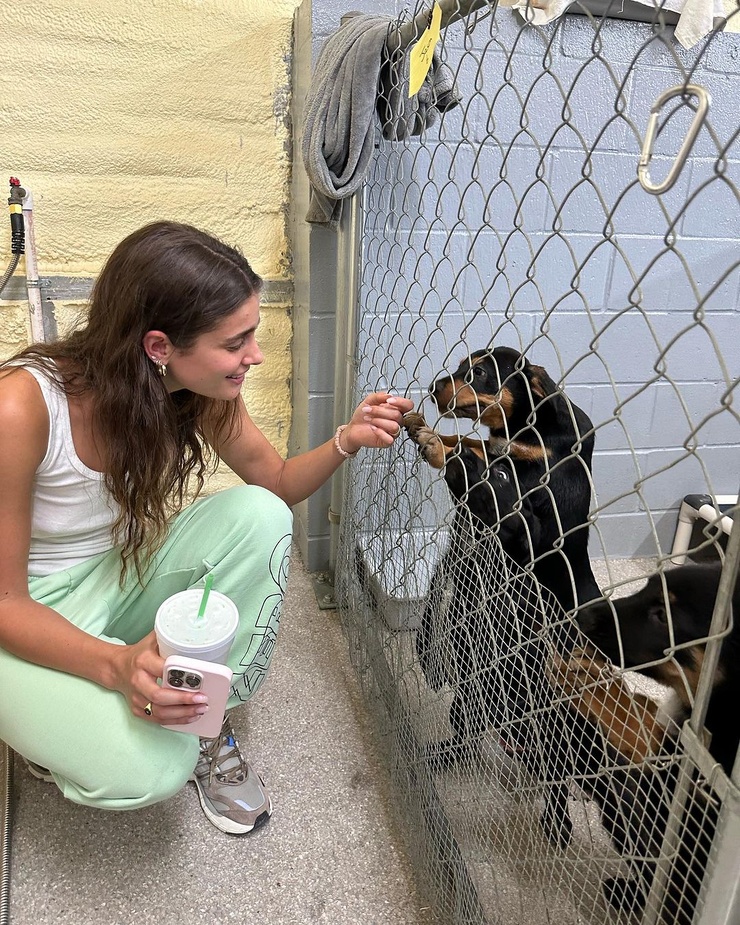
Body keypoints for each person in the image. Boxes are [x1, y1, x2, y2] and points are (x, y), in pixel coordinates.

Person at [0, 220, 413, 836]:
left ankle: (204, 712)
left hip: (119, 572)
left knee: (261, 517)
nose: (255, 357)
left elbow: (273, 484)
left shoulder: (194, 389)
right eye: (236, 342)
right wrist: (113, 665)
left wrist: (345, 441)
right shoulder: (22, 408)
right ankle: (58, 718)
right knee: (150, 768)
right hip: (26, 611)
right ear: (160, 346)